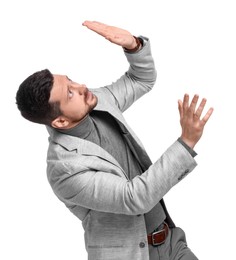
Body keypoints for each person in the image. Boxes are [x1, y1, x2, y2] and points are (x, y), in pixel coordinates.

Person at [16, 21, 213, 260]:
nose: (81, 87)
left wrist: (134, 46)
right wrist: (186, 142)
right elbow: (135, 197)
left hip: (171, 242)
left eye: (71, 81)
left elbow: (140, 80)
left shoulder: (97, 102)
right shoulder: (63, 169)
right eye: (70, 93)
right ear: (59, 122)